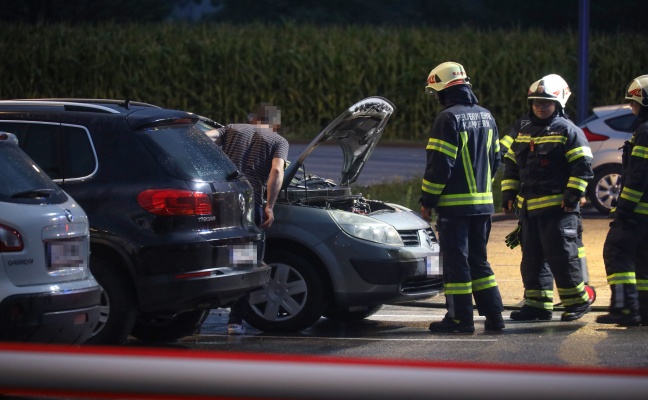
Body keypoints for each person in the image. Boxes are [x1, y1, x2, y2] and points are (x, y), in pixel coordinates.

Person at [420, 61, 505, 333]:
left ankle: (459, 319)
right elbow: (496, 159)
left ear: (445, 90)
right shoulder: (487, 116)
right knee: (479, 262)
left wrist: (427, 201)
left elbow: (439, 166)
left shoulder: (447, 119)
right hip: (483, 207)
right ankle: (495, 317)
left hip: (454, 210)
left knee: (457, 268)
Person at [501, 74, 593, 322]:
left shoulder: (568, 131)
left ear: (558, 104)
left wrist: (573, 194)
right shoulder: (524, 130)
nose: (540, 107)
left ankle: (578, 302)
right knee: (532, 260)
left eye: (546, 103)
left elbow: (583, 167)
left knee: (563, 258)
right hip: (530, 211)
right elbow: (511, 164)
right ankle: (538, 305)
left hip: (559, 211)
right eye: (536, 102)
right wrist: (509, 192)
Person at [211, 103, 289, 334]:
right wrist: (270, 205)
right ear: (275, 124)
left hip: (218, 201)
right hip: (246, 206)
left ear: (254, 118)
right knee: (244, 263)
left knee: (210, 259)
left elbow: (204, 137)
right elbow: (277, 171)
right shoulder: (278, 141)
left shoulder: (231, 129)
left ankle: (193, 311)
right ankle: (235, 321)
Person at [596, 75, 648, 326]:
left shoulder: (645, 132)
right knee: (642, 259)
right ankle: (643, 310)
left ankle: (624, 308)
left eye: (635, 103)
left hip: (638, 212)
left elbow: (638, 176)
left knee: (617, 251)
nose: (631, 107)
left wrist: (623, 209)